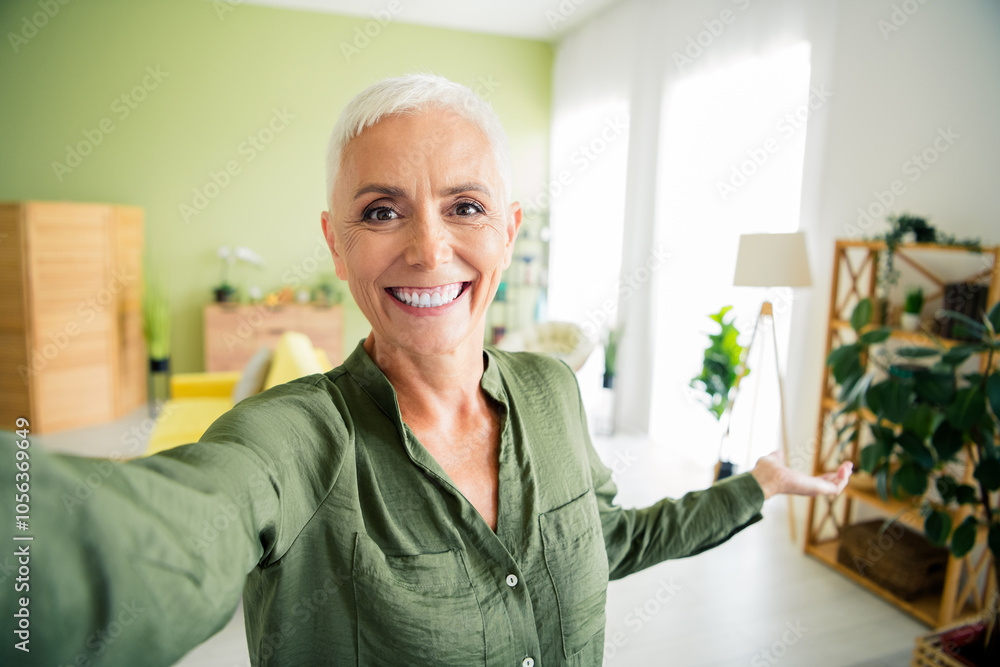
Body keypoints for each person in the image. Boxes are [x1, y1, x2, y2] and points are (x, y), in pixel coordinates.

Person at [1, 74, 852, 666]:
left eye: (465, 206)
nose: (428, 248)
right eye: (381, 210)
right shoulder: (290, 438)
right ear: (337, 242)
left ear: (509, 228)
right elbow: (157, 535)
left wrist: (756, 486)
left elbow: (606, 540)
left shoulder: (554, 392)